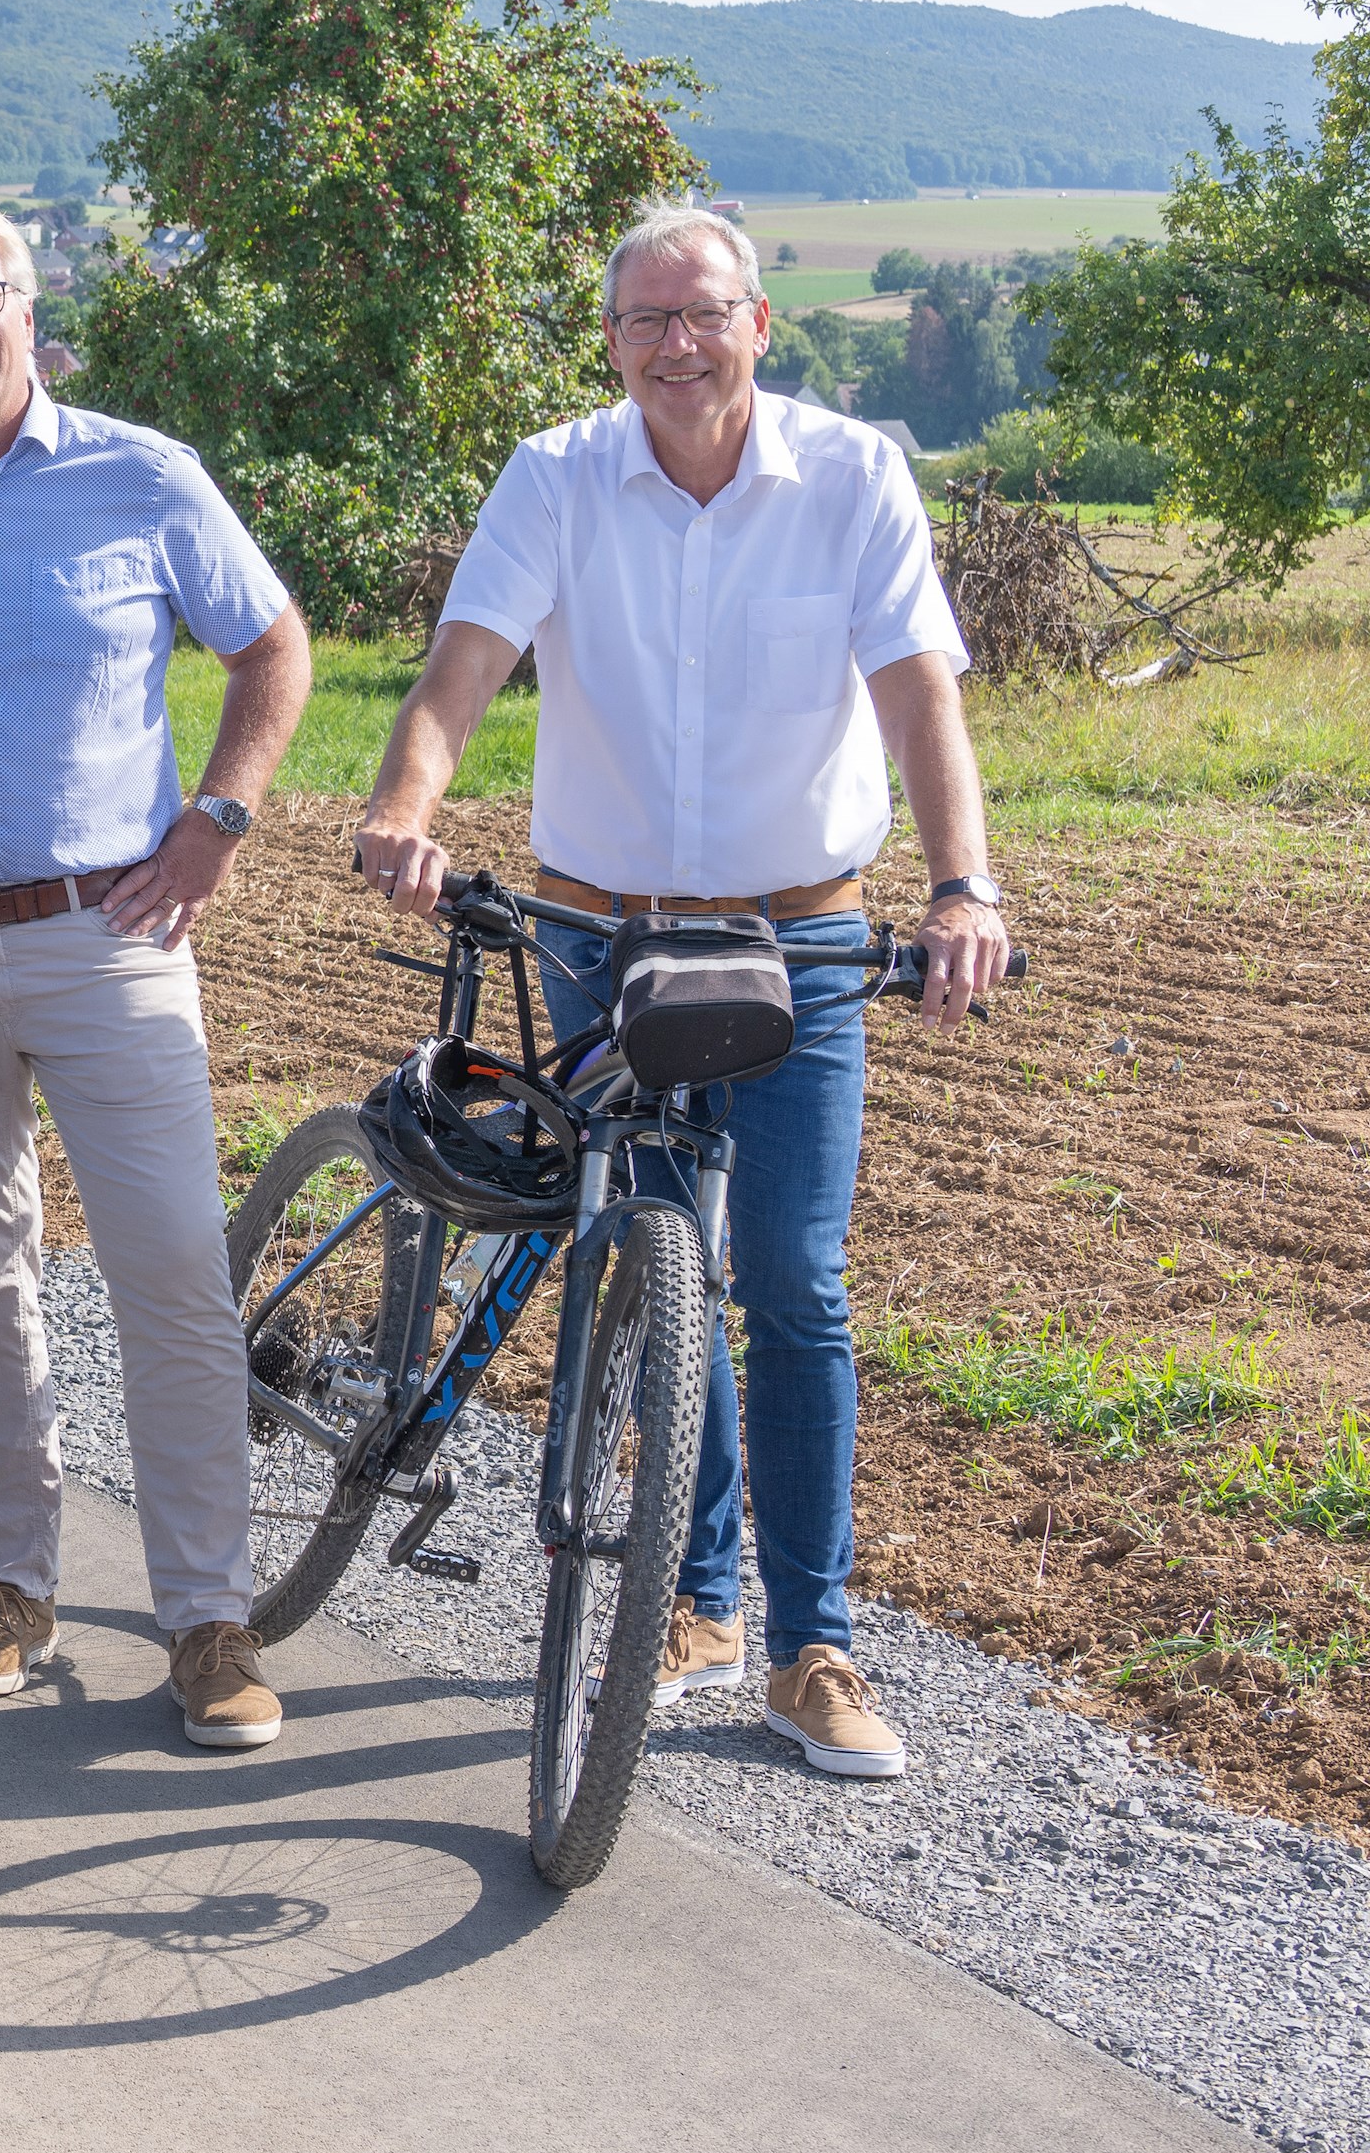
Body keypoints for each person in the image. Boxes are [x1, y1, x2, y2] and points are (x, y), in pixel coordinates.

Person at [356, 202, 1012, 1779]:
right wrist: (404, 807)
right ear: (612, 341)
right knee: (656, 1263)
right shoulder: (556, 474)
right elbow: (462, 669)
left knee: (788, 1277)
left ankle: (813, 1645)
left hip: (800, 934)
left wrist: (963, 884)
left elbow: (920, 697)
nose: (675, 342)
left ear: (759, 323)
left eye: (701, 313)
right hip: (603, 934)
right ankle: (693, 1599)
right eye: (644, 320)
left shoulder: (851, 477)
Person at [0, 196, 318, 1751]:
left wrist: (217, 820)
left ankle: (209, 1619)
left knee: (169, 1270)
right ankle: (9, 1589)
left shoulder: (144, 477)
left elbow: (273, 645)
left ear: (33, 313)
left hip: (115, 934)